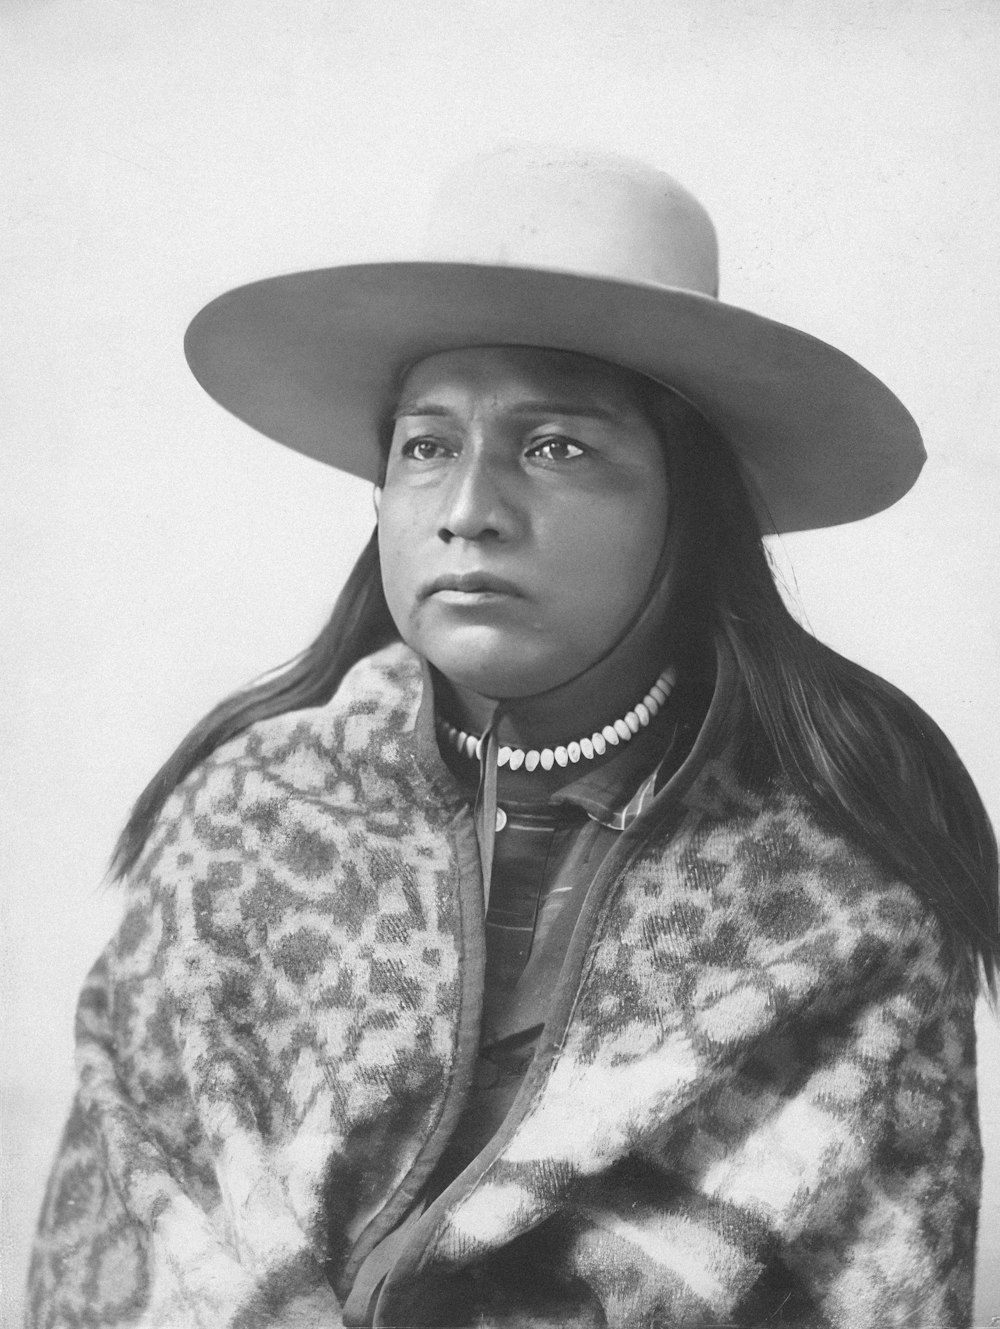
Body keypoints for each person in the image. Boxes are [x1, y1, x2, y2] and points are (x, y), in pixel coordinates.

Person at [26, 150, 998, 1329]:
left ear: (687, 511)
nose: (468, 506)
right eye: (427, 445)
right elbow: (122, 1261)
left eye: (557, 448)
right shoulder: (244, 828)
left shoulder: (841, 898)